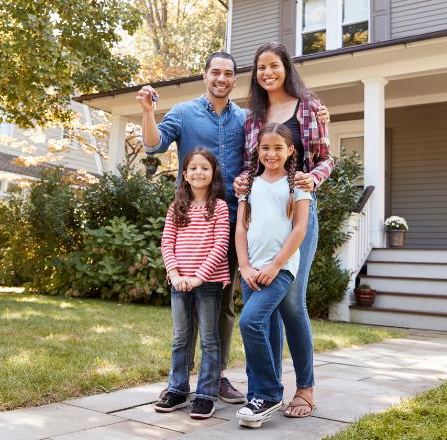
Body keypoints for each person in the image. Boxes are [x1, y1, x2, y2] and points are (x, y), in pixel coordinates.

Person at [137, 52, 330, 402]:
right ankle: (189, 383)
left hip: (255, 216)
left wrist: (319, 127)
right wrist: (149, 112)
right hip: (208, 220)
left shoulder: (256, 115)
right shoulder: (190, 112)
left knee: (234, 304)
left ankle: (223, 378)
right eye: (215, 72)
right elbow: (153, 146)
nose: (221, 78)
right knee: (199, 302)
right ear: (205, 75)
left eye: (229, 73)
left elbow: (310, 154)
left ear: (237, 80)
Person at [234, 41, 334, 418]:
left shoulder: (309, 106)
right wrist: (242, 184)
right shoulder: (252, 116)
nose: (267, 73)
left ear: (285, 67)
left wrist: (312, 179)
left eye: (273, 65)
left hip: (297, 210)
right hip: (262, 214)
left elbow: (326, 158)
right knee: (266, 307)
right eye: (261, 67)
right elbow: (250, 164)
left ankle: (305, 389)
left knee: (292, 304)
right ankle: (268, 389)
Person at [235, 123, 311, 428]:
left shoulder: (298, 185)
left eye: (279, 147)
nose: (271, 153)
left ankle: (268, 393)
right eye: (265, 147)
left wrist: (275, 265)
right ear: (257, 149)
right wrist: (244, 266)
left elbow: (300, 229)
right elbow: (241, 228)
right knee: (261, 327)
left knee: (250, 321)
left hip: (279, 269)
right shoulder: (248, 185)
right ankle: (258, 398)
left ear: (290, 151)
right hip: (251, 269)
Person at [156, 147, 230, 419]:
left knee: (209, 339)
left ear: (213, 174)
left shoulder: (219, 207)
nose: (199, 172)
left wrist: (200, 275)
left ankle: (206, 395)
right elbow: (167, 242)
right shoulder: (177, 208)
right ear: (184, 175)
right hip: (179, 282)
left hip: (208, 282)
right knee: (181, 338)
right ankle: (176, 389)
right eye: (193, 168)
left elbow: (221, 244)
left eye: (205, 168)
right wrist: (175, 275)